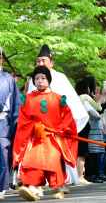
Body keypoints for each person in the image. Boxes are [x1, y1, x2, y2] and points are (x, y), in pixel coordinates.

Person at [13, 66, 77, 201]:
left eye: (43, 78)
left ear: (49, 80)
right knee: (32, 162)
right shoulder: (28, 99)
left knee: (53, 162)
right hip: (35, 139)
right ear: (33, 81)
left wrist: (61, 128)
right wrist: (34, 126)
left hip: (53, 139)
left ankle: (58, 186)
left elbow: (68, 117)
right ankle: (32, 188)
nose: (40, 81)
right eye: (36, 78)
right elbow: (23, 119)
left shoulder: (59, 99)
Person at [0, 48, 21, 199]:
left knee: (2, 151)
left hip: (3, 122)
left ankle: (1, 187)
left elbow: (15, 105)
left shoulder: (8, 79)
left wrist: (16, 124)